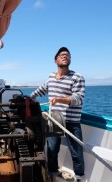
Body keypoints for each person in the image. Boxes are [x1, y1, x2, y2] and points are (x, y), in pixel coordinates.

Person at [30, 47, 85, 182]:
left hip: (72, 121)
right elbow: (41, 90)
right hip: (54, 120)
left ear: (70, 59)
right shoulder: (51, 77)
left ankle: (79, 179)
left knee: (77, 153)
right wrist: (29, 98)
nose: (65, 56)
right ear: (55, 61)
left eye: (67, 55)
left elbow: (78, 99)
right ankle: (53, 178)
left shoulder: (77, 77)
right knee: (52, 150)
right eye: (62, 55)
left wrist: (59, 99)